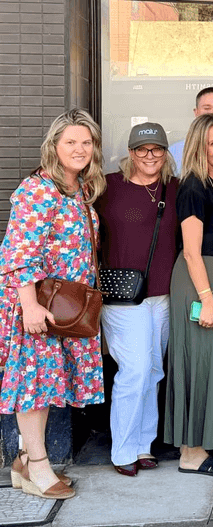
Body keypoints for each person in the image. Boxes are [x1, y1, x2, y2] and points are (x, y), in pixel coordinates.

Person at [0, 109, 107, 499]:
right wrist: (29, 305)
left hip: (65, 306)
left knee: (45, 383)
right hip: (41, 304)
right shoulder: (37, 190)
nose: (79, 149)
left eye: (86, 142)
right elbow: (17, 252)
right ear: (54, 147)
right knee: (34, 385)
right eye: (70, 142)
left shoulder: (77, 188)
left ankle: (25, 462)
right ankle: (39, 468)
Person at [96, 122, 179, 477]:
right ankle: (123, 450)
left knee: (155, 371)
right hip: (121, 297)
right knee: (134, 371)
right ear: (130, 153)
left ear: (165, 153)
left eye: (156, 149)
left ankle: (144, 444)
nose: (149, 156)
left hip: (162, 295)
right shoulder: (106, 186)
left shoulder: (174, 188)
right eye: (142, 149)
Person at [164, 113, 213, 477]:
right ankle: (190, 453)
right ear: (200, 146)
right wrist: (208, 299)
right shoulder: (193, 185)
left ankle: (206, 442)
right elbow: (192, 251)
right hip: (201, 281)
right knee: (197, 364)